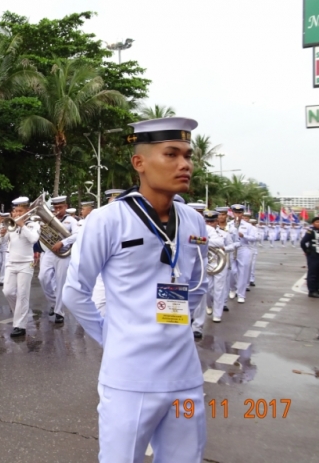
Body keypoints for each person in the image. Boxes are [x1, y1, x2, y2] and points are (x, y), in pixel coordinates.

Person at [62, 117, 209, 462]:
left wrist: (180, 323)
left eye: (188, 155)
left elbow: (198, 285)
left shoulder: (193, 220)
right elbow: (75, 291)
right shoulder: (108, 219)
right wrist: (112, 338)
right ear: (139, 163)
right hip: (130, 378)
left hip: (184, 375)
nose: (184, 164)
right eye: (171, 154)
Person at [2, 197, 41, 338]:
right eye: (15, 211)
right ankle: (18, 314)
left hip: (26, 264)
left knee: (23, 294)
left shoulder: (33, 224)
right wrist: (1, 234)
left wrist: (22, 225)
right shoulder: (10, 225)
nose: (17, 213)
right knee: (8, 292)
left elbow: (33, 239)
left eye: (20, 211)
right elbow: (1, 242)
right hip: (11, 263)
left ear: (27, 211)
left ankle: (20, 325)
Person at [38, 195, 79, 324]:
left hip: (64, 253)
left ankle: (59, 312)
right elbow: (41, 234)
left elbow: (78, 234)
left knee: (61, 282)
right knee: (42, 277)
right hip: (49, 252)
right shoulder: (49, 219)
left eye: (60, 207)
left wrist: (63, 242)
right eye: (55, 207)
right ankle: (54, 302)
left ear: (66, 207)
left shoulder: (71, 221)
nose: (57, 210)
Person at [230, 205, 257, 304]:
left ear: (242, 213)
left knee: (243, 271)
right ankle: (232, 288)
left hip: (243, 248)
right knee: (232, 271)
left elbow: (254, 238)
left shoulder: (248, 226)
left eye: (240, 212)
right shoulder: (229, 225)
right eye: (236, 212)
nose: (238, 214)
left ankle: (241, 294)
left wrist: (244, 235)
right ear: (232, 213)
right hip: (232, 248)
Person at [301, 217, 319, 299]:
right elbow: (302, 242)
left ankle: (317, 290)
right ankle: (312, 291)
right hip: (313, 255)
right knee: (312, 274)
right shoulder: (311, 232)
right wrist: (306, 251)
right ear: (313, 224)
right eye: (317, 222)